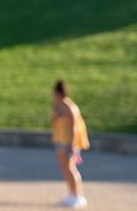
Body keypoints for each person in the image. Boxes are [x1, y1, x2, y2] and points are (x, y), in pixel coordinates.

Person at [52, 80, 90, 209]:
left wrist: (73, 145)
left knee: (71, 168)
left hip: (69, 142)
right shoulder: (57, 106)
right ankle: (71, 194)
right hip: (60, 140)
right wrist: (56, 115)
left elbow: (75, 127)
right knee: (64, 168)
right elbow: (54, 120)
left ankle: (79, 196)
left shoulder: (70, 107)